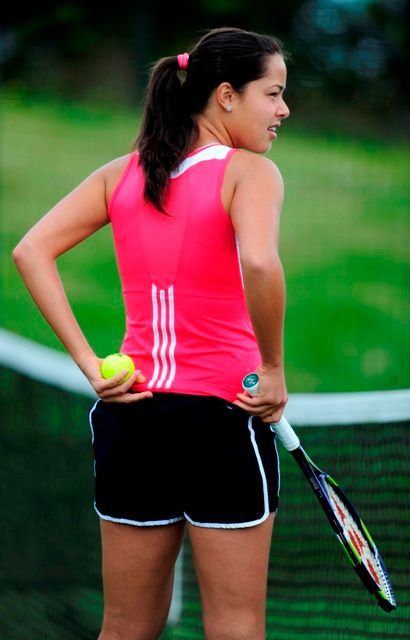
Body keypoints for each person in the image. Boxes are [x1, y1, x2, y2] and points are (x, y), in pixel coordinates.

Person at [13, 26, 290, 640]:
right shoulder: (250, 173)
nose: (283, 110)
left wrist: (90, 365)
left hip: (131, 419)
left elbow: (31, 250)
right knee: (237, 626)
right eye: (272, 94)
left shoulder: (121, 173)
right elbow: (262, 263)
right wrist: (272, 370)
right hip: (224, 418)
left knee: (125, 626)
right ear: (225, 95)